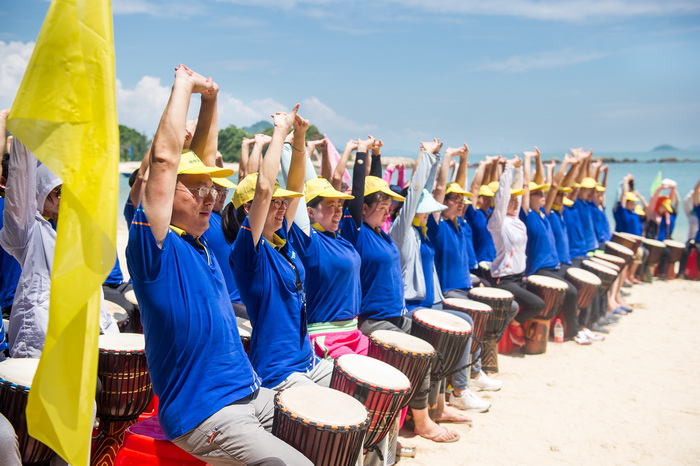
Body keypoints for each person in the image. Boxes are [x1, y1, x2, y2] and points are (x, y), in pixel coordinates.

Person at [125, 64, 311, 465]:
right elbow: (164, 160)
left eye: (212, 189)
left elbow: (201, 159)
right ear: (166, 195)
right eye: (197, 190)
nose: (210, 197)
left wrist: (211, 100)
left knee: (323, 424)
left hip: (251, 394)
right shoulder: (155, 250)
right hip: (206, 412)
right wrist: (184, 85)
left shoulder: (199, 243)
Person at [340, 135, 462, 443]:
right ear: (363, 208)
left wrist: (376, 156)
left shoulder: (382, 234)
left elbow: (374, 184)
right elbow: (359, 190)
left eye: (388, 205)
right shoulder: (356, 232)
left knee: (436, 346)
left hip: (396, 314)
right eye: (381, 206)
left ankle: (433, 408)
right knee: (419, 355)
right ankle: (422, 423)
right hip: (372, 319)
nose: (387, 210)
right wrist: (361, 153)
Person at [229, 106, 333, 391]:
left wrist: (299, 137)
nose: (281, 207)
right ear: (249, 209)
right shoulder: (248, 252)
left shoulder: (281, 240)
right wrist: (279, 131)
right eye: (274, 202)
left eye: (282, 202)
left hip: (307, 360)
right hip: (278, 369)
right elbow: (264, 189)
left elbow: (298, 186)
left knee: (354, 391)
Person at [487, 156, 545, 346]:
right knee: (537, 304)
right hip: (504, 280)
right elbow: (502, 196)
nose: (514, 203)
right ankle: (515, 325)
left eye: (515, 200)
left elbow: (518, 195)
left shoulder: (517, 220)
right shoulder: (498, 222)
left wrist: (519, 170)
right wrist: (508, 169)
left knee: (545, 296)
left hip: (520, 277)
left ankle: (524, 332)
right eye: (510, 200)